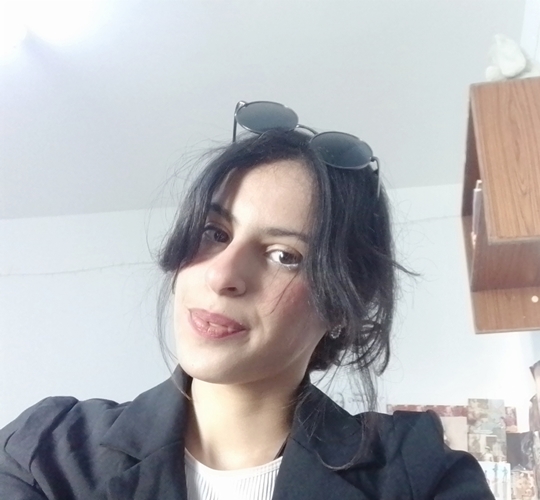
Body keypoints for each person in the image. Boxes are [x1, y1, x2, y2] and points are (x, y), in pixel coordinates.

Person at [0, 102, 493, 499]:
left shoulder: (419, 475)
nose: (222, 275)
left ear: (343, 303)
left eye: (284, 256)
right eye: (214, 232)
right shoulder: (47, 452)